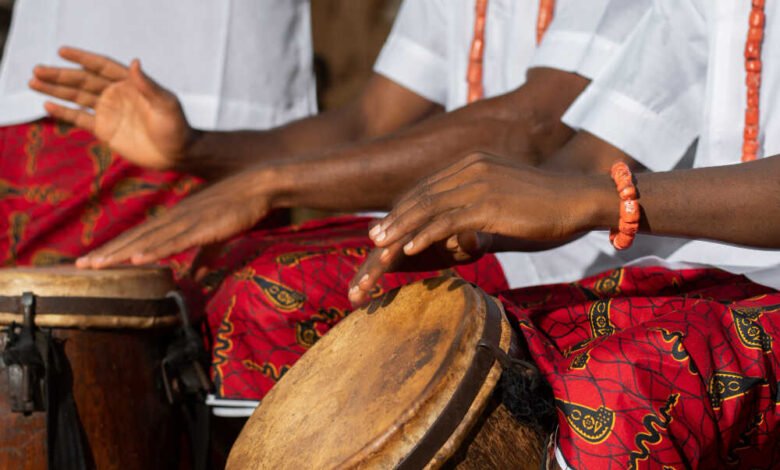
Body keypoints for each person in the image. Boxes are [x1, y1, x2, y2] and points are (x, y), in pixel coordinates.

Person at [28, 1, 653, 407]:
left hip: (577, 254)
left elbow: (532, 126)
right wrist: (197, 149)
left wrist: (267, 183)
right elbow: (369, 121)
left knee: (263, 295)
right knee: (205, 276)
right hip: (479, 235)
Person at [352, 0, 780, 466]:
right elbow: (596, 155)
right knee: (446, 339)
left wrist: (597, 199)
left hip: (748, 288)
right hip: (703, 276)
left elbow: (537, 130)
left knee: (616, 392)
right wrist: (483, 225)